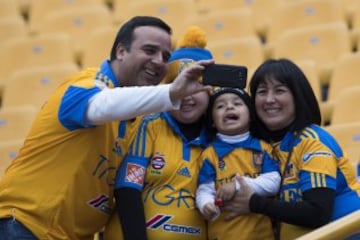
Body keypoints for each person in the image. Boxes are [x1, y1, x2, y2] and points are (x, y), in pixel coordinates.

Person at [0, 17, 213, 240]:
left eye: (166, 56)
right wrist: (171, 92)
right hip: (25, 226)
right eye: (150, 50)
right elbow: (101, 106)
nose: (159, 61)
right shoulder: (85, 84)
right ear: (121, 52)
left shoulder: (141, 121)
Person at [223, 58, 360, 240]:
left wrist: (254, 203)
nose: (269, 100)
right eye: (262, 92)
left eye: (279, 90)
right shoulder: (262, 147)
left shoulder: (313, 141)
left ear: (298, 96)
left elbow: (318, 212)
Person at [103, 25, 213, 240]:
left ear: (210, 91)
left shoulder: (219, 138)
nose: (187, 95)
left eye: (196, 86)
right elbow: (127, 188)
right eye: (178, 85)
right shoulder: (148, 125)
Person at [196, 87, 280, 240]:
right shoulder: (209, 154)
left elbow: (274, 183)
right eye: (220, 106)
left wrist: (237, 186)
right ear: (212, 121)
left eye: (237, 103)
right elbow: (204, 189)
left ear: (250, 115)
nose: (229, 107)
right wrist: (206, 205)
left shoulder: (263, 148)